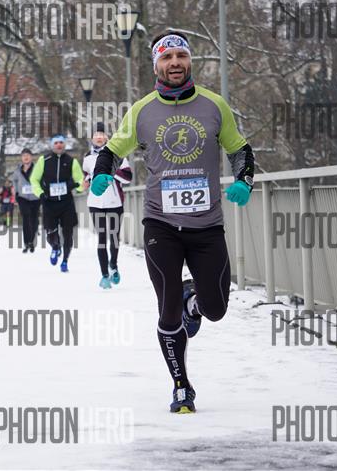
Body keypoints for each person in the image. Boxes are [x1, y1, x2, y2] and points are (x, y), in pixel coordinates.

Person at [91, 31, 255, 413]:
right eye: (167, 58)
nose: (175, 63)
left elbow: (240, 149)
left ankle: (192, 303)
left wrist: (244, 181)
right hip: (161, 225)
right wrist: (102, 173)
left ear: (190, 60)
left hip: (207, 226)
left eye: (181, 55)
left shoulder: (214, 105)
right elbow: (112, 150)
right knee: (166, 308)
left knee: (216, 309)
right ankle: (181, 385)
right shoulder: (142, 111)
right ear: (156, 66)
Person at [82, 122, 132, 289]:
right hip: (95, 203)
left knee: (114, 237)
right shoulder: (87, 157)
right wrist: (86, 182)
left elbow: (128, 178)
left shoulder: (119, 155)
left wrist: (110, 168)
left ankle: (114, 266)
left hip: (115, 202)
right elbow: (87, 176)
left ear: (107, 137)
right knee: (102, 238)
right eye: (96, 134)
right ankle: (104, 274)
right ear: (92, 138)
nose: (99, 137)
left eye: (102, 134)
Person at [30, 134, 85, 273]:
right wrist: (40, 193)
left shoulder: (72, 161)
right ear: (52, 145)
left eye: (61, 142)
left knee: (68, 234)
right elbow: (34, 180)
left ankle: (65, 261)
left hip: (67, 203)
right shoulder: (44, 160)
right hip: (49, 202)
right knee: (50, 233)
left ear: (64, 144)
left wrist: (78, 187)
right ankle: (55, 247)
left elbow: (80, 181)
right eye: (56, 143)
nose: (59, 145)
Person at [11, 148, 41, 253]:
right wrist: (16, 192)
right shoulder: (17, 170)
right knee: (26, 218)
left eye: (28, 155)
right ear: (21, 158)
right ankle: (26, 243)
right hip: (22, 197)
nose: (26, 157)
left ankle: (32, 241)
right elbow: (14, 180)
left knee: (34, 219)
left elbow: (42, 179)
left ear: (31, 157)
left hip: (35, 197)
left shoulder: (37, 168)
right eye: (24, 155)